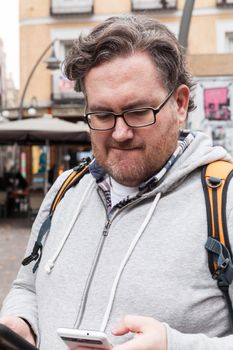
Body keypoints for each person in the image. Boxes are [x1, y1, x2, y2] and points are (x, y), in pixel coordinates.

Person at [0, 14, 233, 350]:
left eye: (138, 111)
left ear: (180, 104)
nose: (120, 133)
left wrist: (174, 345)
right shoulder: (65, 189)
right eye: (102, 115)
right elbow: (28, 285)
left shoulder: (224, 200)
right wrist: (20, 323)